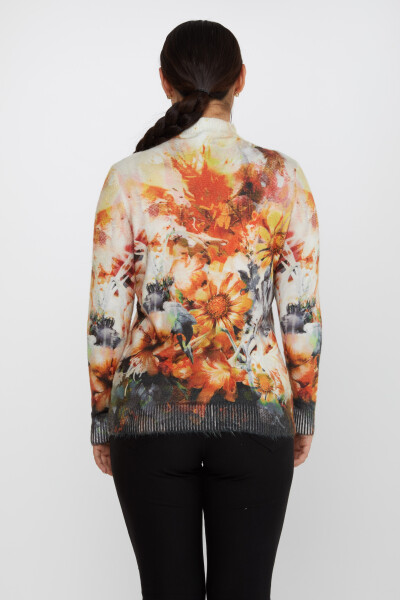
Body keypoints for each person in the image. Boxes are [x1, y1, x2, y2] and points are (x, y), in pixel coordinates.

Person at [86, 19, 322, 600]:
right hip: (256, 416)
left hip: (148, 421)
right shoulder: (283, 178)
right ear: (241, 79)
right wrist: (302, 412)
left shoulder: (127, 178)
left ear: (164, 83)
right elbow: (302, 314)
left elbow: (106, 315)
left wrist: (102, 417)